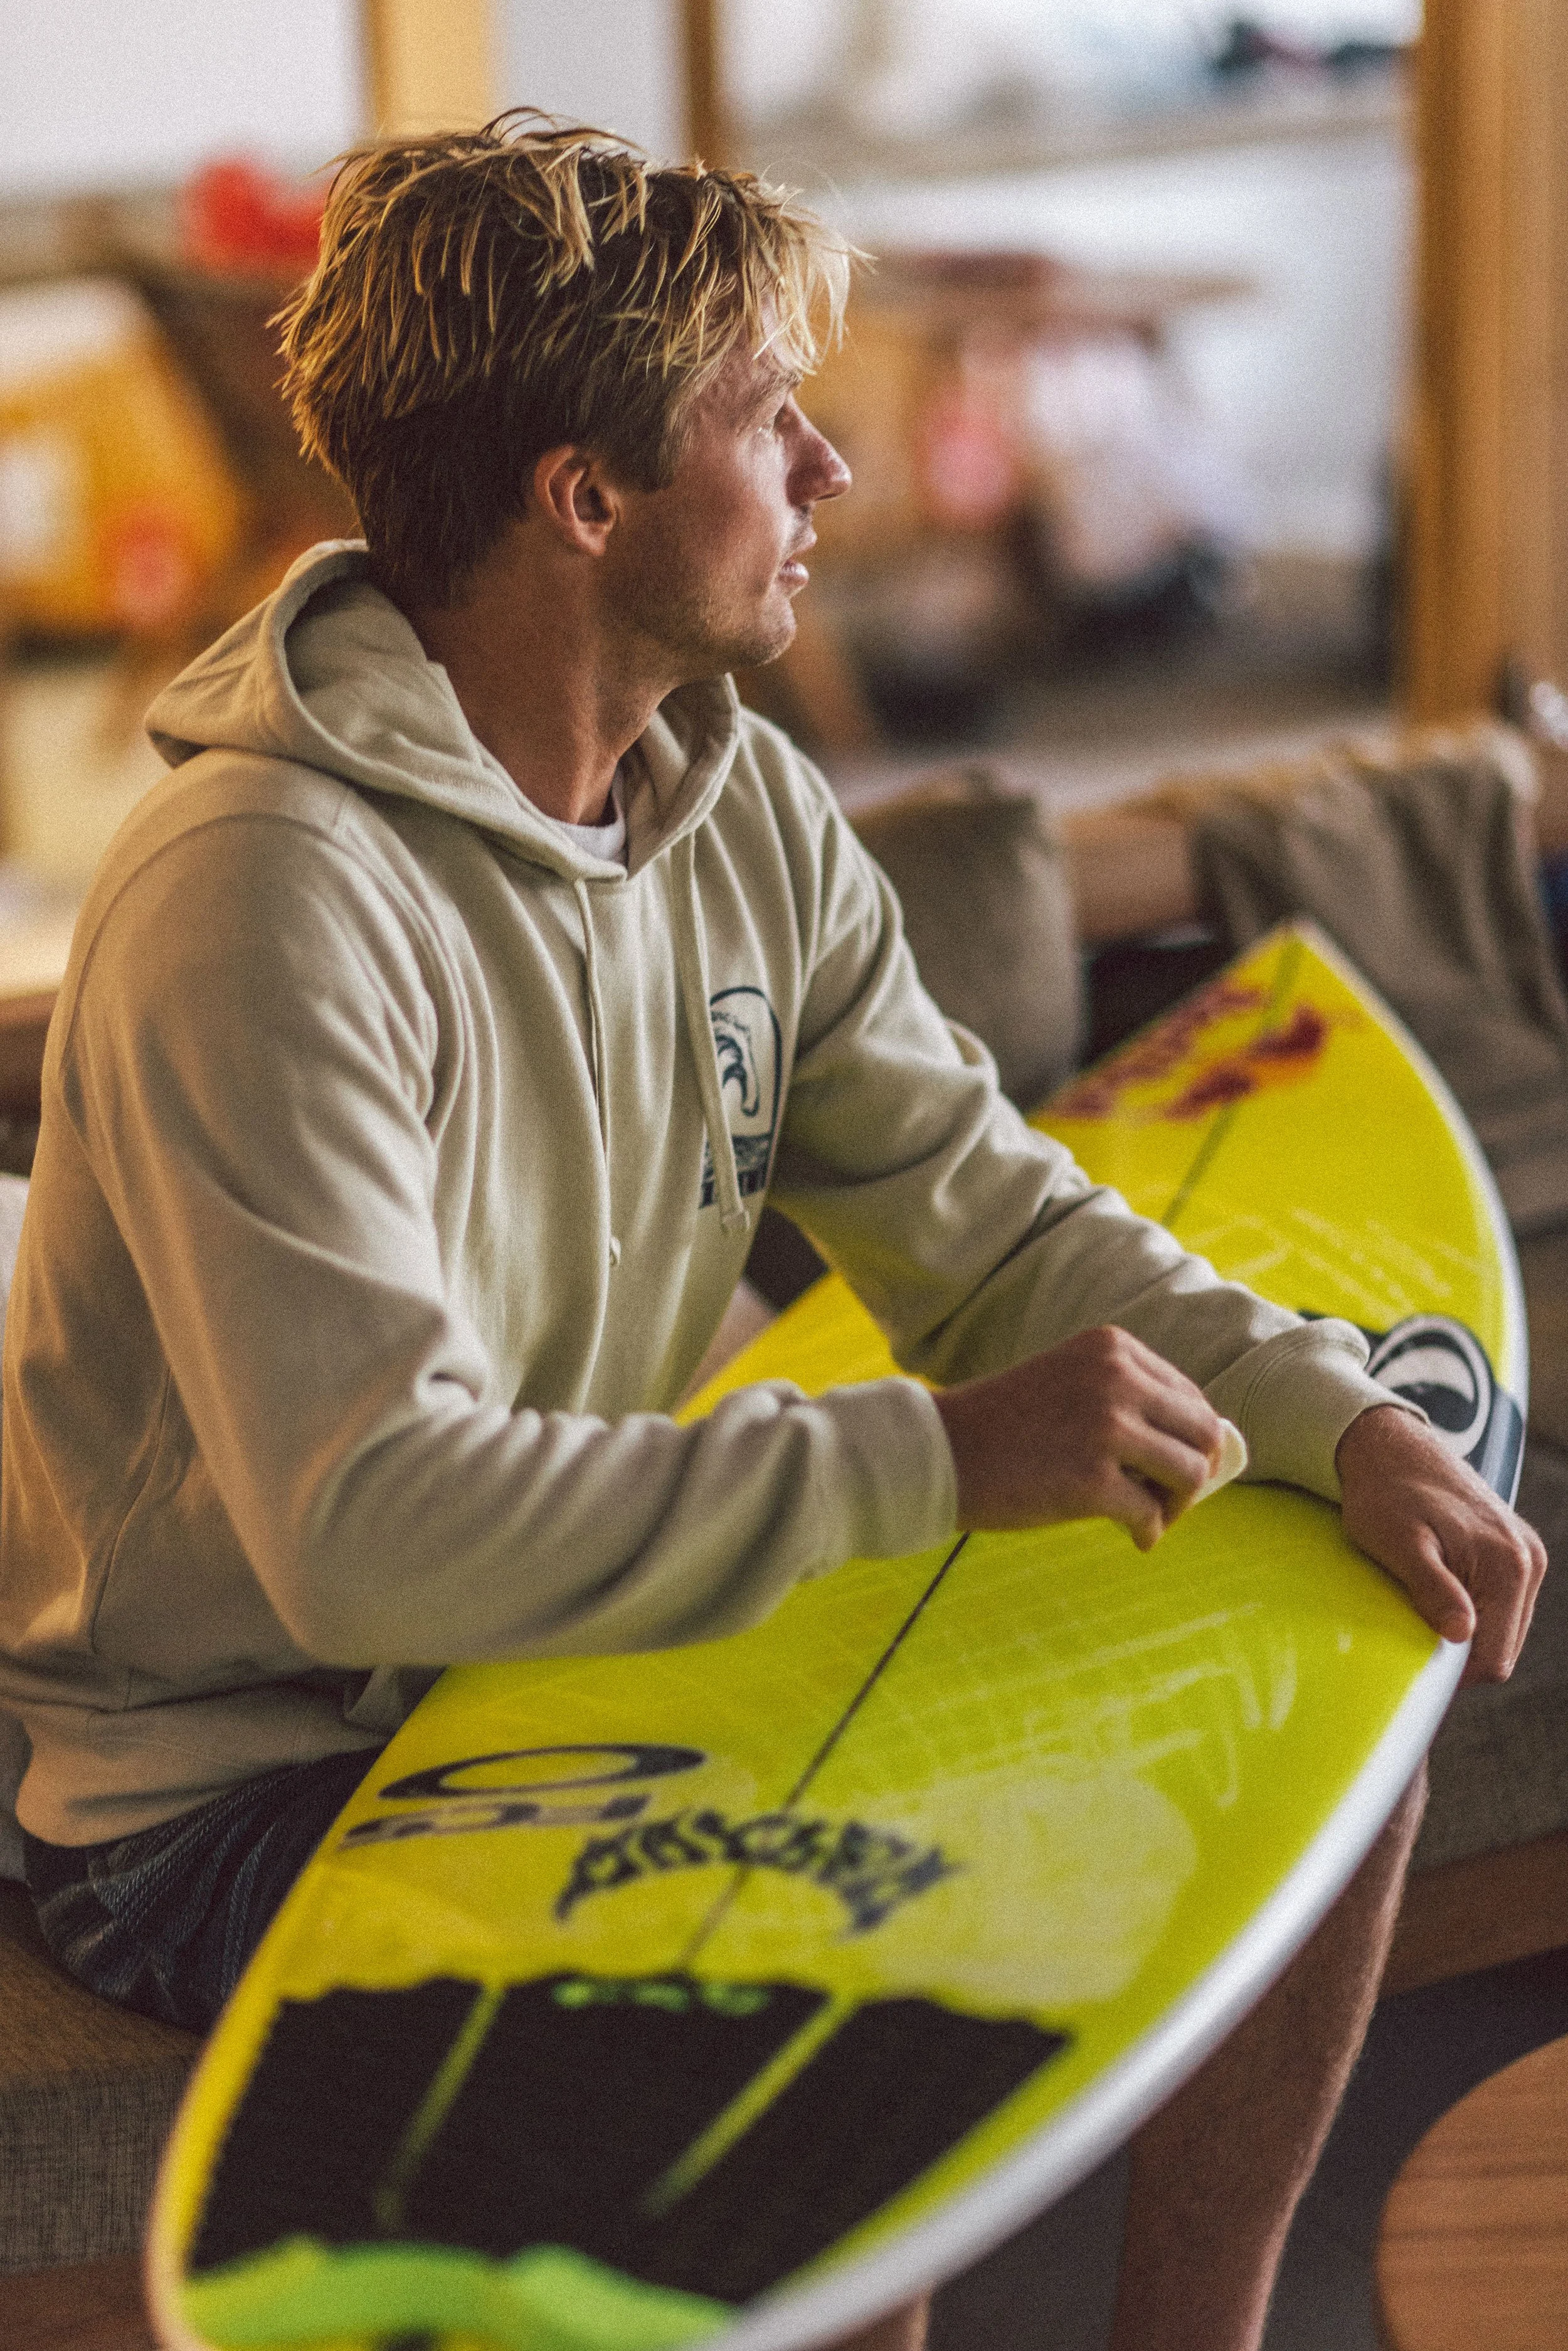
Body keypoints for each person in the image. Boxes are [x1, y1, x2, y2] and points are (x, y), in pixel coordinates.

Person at [0, 117, 1543, 2351]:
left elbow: (985, 1220)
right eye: (764, 414)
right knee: (809, 2061)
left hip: (540, 1648)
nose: (830, 467)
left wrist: (1319, 1409)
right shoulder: (265, 899)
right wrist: (931, 1463)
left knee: (1329, 1626)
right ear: (583, 495)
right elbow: (362, 1523)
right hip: (223, 1764)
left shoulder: (729, 805)